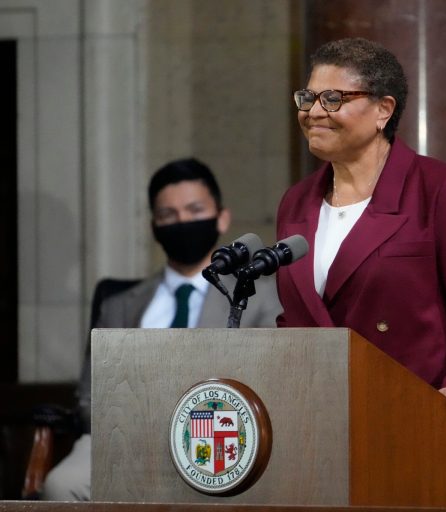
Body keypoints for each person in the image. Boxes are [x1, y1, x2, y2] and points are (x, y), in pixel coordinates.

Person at [275, 37, 446, 492]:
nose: (313, 111)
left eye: (333, 98)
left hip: (419, 426)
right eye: (308, 97)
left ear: (384, 109)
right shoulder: (296, 202)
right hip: (319, 433)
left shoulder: (442, 189)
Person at [42, 157, 283, 500]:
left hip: (216, 437)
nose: (182, 221)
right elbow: (88, 395)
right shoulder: (120, 303)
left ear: (222, 216)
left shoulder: (260, 296)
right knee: (62, 484)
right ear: (154, 225)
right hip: (125, 437)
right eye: (168, 215)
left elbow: (270, 386)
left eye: (194, 209)